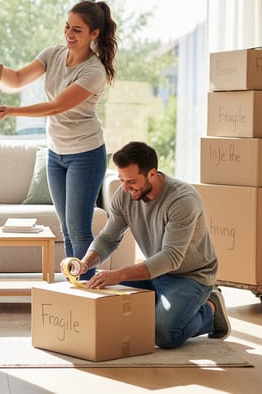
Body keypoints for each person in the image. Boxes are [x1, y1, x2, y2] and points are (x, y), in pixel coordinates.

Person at [0, 0, 117, 281]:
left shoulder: (94, 72)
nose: (69, 33)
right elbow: (17, 79)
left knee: (78, 228)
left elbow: (57, 106)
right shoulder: (53, 54)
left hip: (85, 154)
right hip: (56, 153)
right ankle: (75, 284)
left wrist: (11, 112)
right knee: (66, 228)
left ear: (94, 34)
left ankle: (87, 289)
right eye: (67, 26)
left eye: (77, 29)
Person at [77, 141, 229, 349]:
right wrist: (86, 263)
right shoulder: (124, 195)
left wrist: (119, 274)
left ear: (152, 174)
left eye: (131, 181)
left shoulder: (183, 200)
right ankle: (163, 304)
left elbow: (171, 258)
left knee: (165, 334)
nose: (124, 188)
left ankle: (211, 309)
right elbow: (108, 238)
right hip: (153, 272)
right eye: (121, 180)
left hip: (190, 276)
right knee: (98, 299)